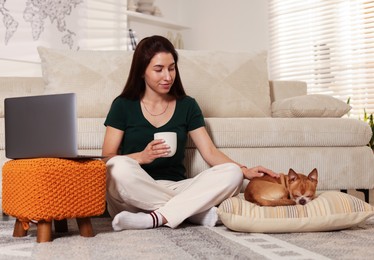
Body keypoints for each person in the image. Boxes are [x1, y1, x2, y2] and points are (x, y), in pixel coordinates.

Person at [102, 35, 278, 231]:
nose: (168, 76)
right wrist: (141, 157)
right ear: (141, 72)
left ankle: (154, 218)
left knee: (232, 173)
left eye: (171, 68)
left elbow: (210, 152)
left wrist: (244, 170)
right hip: (133, 194)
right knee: (115, 166)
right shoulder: (123, 105)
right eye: (159, 69)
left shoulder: (187, 105)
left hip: (177, 186)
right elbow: (106, 157)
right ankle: (192, 212)